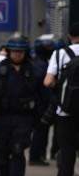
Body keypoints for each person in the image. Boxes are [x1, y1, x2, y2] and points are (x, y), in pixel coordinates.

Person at [0, 35, 47, 176]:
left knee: (18, 150)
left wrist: (42, 119)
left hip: (23, 117)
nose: (18, 54)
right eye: (15, 51)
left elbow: (43, 96)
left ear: (26, 53)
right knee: (2, 154)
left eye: (21, 52)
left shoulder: (34, 72)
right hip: (2, 118)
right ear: (9, 51)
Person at [41, 21, 79, 176]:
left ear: (70, 36)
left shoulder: (60, 54)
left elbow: (47, 82)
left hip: (65, 113)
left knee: (66, 155)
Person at [28, 34, 56, 166]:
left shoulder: (38, 63)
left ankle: (39, 155)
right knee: (40, 130)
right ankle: (36, 156)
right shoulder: (41, 65)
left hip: (40, 102)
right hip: (41, 103)